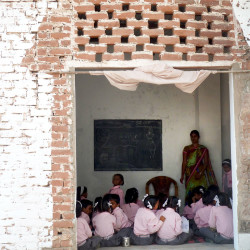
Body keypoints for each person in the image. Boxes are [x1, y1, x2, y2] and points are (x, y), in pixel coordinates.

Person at [180, 130, 217, 202]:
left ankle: (203, 207)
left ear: (198, 137)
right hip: (189, 174)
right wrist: (182, 175)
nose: (193, 138)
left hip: (200, 173)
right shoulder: (186, 148)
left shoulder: (203, 149)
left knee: (201, 191)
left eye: (195, 136)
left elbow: (206, 163)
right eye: (192, 137)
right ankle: (190, 209)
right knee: (190, 193)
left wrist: (200, 173)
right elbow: (184, 162)